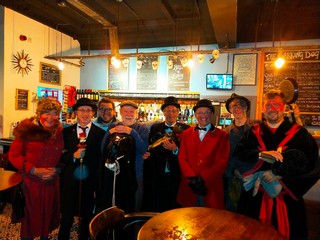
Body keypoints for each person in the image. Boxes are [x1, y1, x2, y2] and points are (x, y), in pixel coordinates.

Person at [234, 90, 320, 240]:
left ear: (284, 108)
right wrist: (259, 157)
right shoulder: (253, 132)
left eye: (277, 105)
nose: (272, 109)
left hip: (286, 198)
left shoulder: (300, 134)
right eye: (268, 105)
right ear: (262, 108)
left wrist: (282, 181)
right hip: (255, 196)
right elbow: (239, 156)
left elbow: (313, 166)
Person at [8, 98, 64, 240]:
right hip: (31, 182)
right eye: (47, 113)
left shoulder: (59, 131)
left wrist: (56, 169)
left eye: (54, 113)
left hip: (51, 181)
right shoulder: (27, 130)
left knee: (47, 216)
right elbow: (14, 155)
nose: (51, 117)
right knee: (30, 219)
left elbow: (63, 154)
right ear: (39, 113)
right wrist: (34, 170)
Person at [58, 98, 105, 240]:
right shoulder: (66, 132)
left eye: (88, 110)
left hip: (90, 181)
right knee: (67, 215)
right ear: (76, 113)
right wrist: (73, 156)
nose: (85, 114)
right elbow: (61, 155)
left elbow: (100, 159)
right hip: (70, 180)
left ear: (93, 113)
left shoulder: (100, 133)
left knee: (86, 215)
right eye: (81, 110)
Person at [96, 100, 149, 213]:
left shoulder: (142, 128)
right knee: (118, 205)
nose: (128, 114)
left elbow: (143, 149)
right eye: (125, 111)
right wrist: (110, 133)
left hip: (136, 173)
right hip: (117, 174)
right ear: (120, 112)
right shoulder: (114, 126)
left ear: (136, 113)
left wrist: (131, 132)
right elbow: (102, 149)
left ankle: (135, 230)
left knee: (135, 205)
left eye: (132, 112)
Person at [177, 99, 230, 208]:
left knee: (211, 221)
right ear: (195, 114)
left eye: (207, 112)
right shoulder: (186, 134)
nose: (203, 115)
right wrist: (191, 178)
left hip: (211, 186)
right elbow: (182, 157)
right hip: (189, 185)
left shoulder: (222, 135)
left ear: (212, 114)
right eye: (200, 112)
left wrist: (203, 178)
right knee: (188, 219)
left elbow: (222, 161)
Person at [143, 96, 190, 212]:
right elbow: (149, 147)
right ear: (163, 112)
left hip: (176, 174)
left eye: (174, 110)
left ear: (178, 112)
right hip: (158, 174)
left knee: (175, 207)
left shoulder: (185, 129)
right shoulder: (155, 127)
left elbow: (188, 151)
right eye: (168, 110)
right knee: (158, 206)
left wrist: (175, 149)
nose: (171, 113)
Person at [223, 93, 255, 211]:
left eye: (241, 105)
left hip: (255, 177)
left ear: (246, 108)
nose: (237, 108)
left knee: (252, 212)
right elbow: (226, 156)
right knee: (233, 211)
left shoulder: (257, 127)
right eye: (233, 106)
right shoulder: (226, 133)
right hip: (234, 178)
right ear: (230, 110)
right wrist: (233, 172)